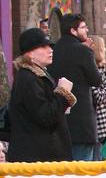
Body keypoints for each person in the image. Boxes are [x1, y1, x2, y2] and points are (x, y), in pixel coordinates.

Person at [6, 27, 76, 162]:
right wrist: (63, 93)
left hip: (43, 156)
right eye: (44, 47)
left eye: (50, 46)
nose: (50, 50)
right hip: (37, 159)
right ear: (30, 53)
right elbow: (46, 116)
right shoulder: (28, 79)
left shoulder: (37, 75)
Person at [49, 13, 102, 161]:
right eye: (83, 27)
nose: (87, 30)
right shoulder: (83, 51)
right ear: (73, 31)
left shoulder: (54, 50)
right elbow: (96, 80)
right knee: (83, 174)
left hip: (59, 119)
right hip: (82, 121)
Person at [89, 35, 106, 159]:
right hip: (101, 125)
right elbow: (99, 97)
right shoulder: (92, 70)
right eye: (104, 47)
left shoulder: (101, 69)